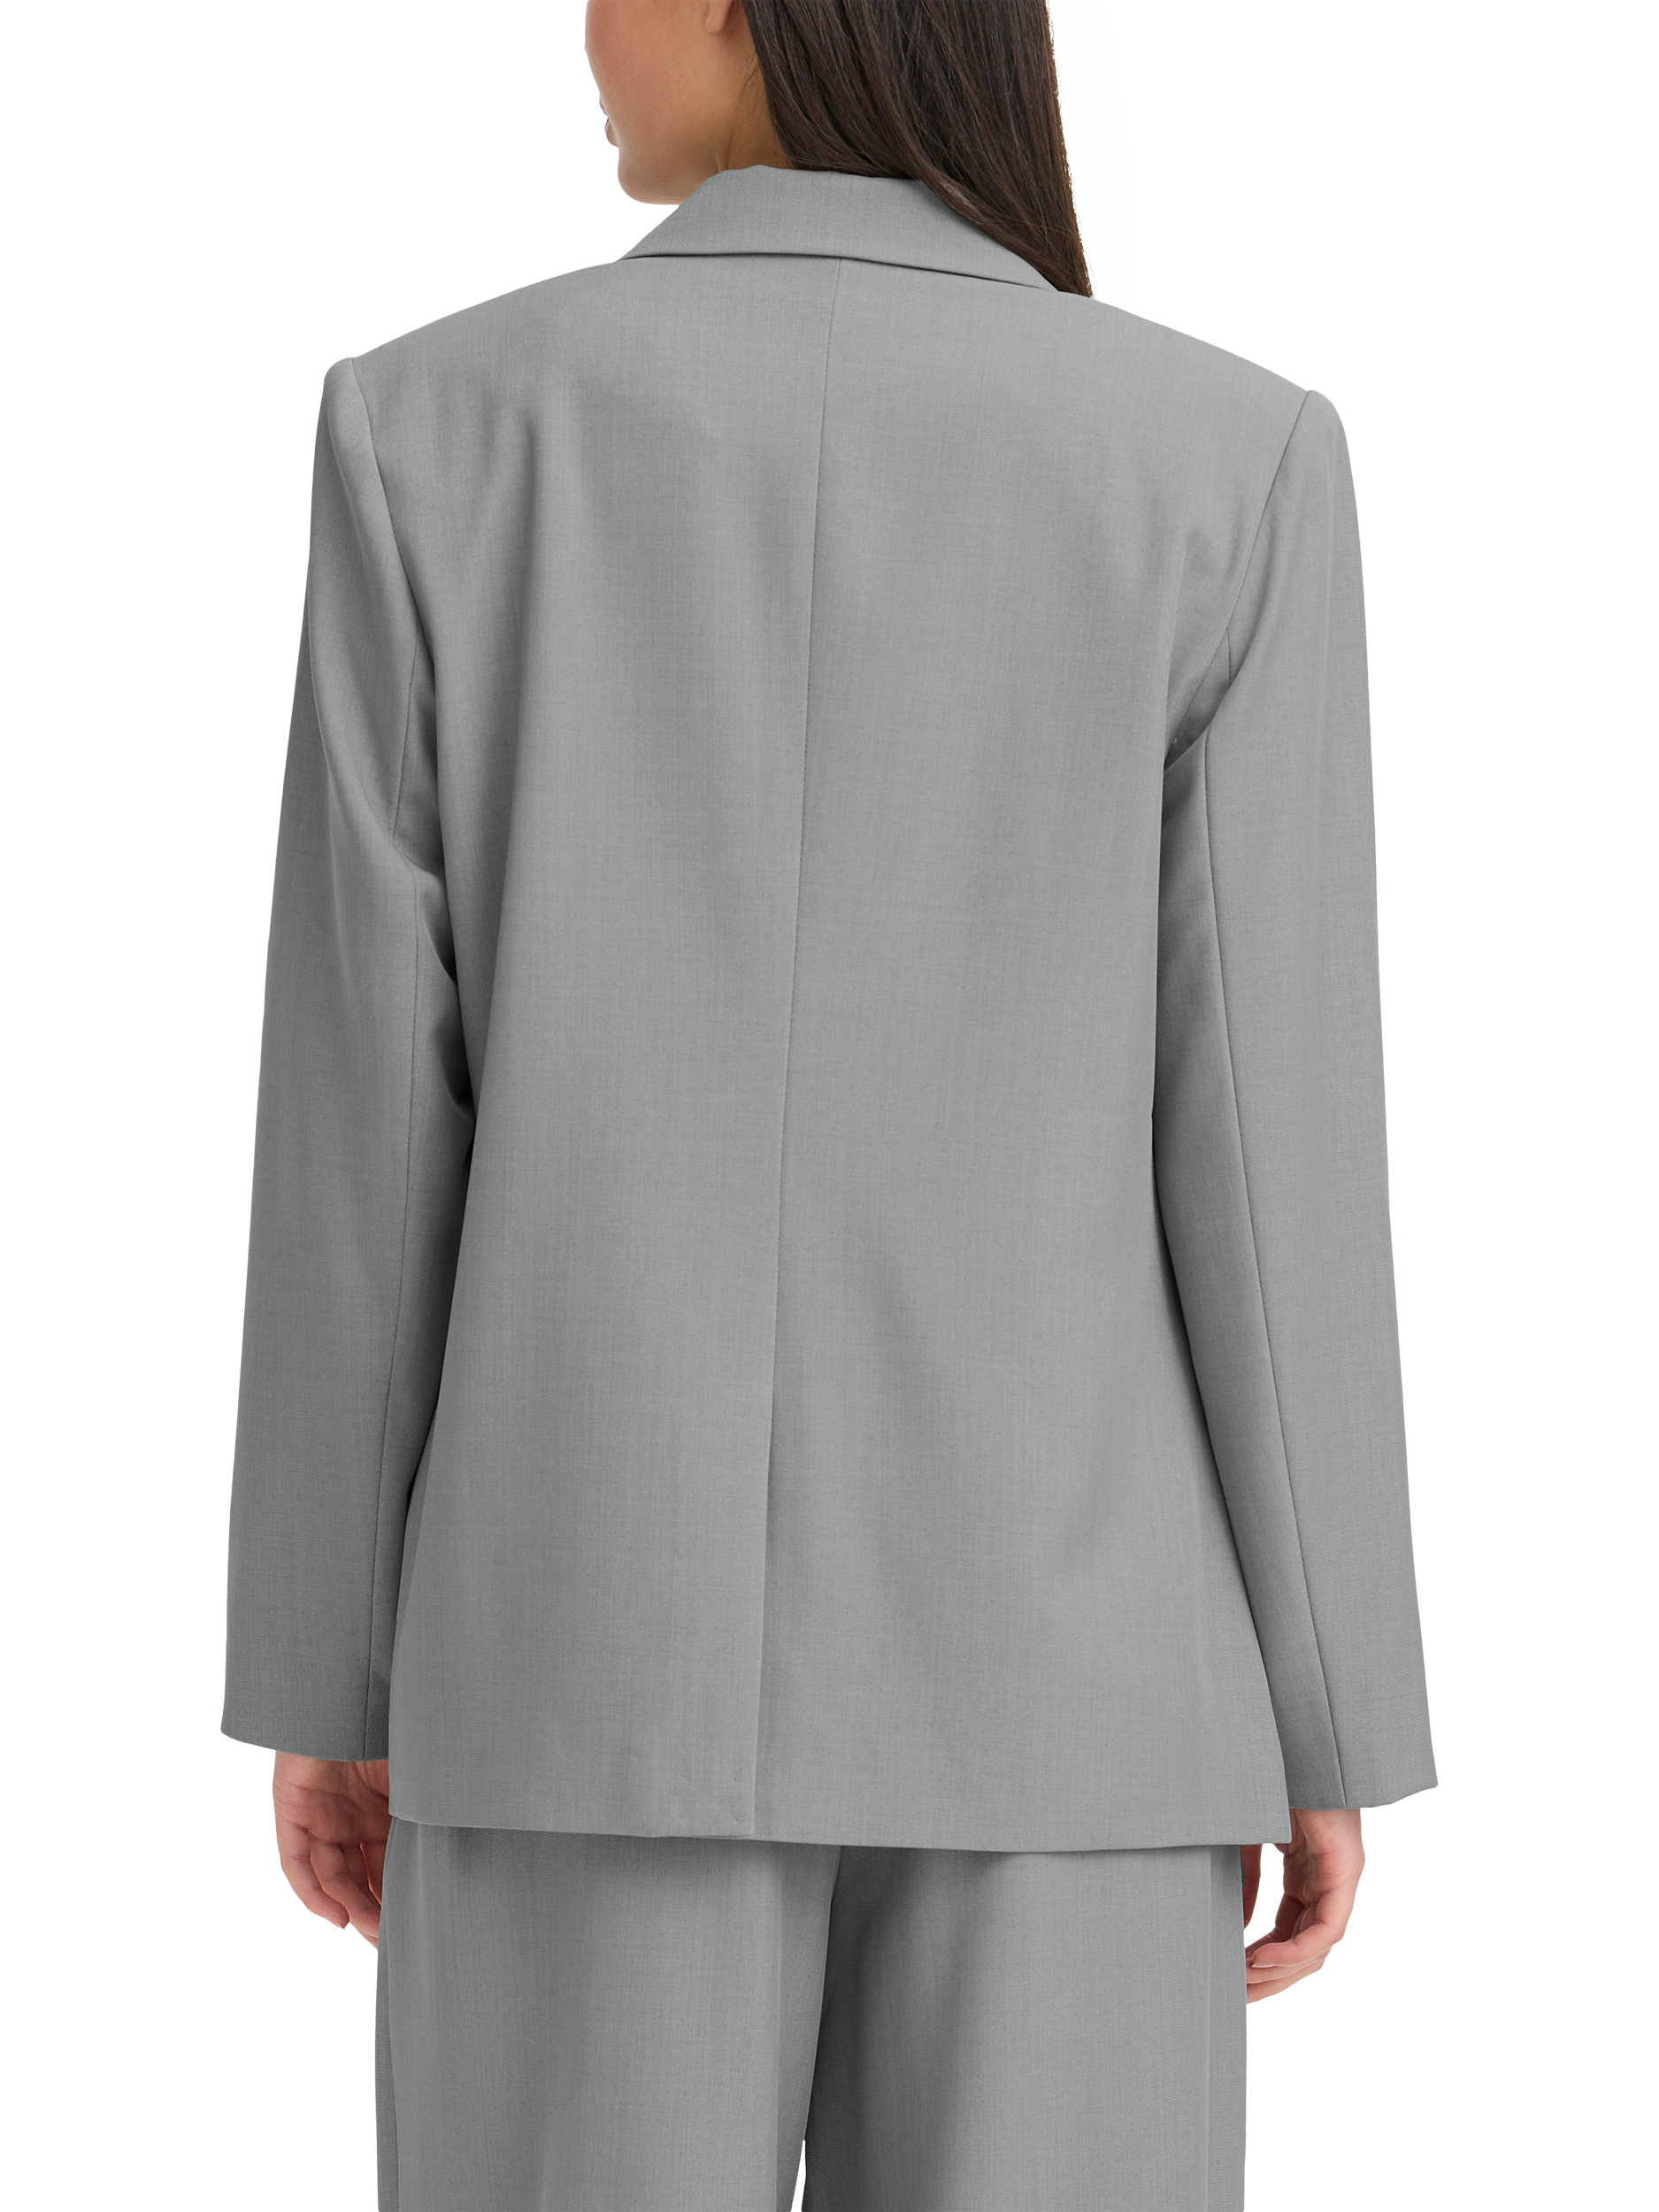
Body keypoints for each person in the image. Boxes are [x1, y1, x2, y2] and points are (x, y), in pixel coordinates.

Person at [223, 1, 1436, 2204]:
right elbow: (1268, 1156)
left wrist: (339, 1661)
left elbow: (361, 1127)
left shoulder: (431, 426)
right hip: (1080, 1692)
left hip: (569, 1654)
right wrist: (1327, 1696)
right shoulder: (1221, 456)